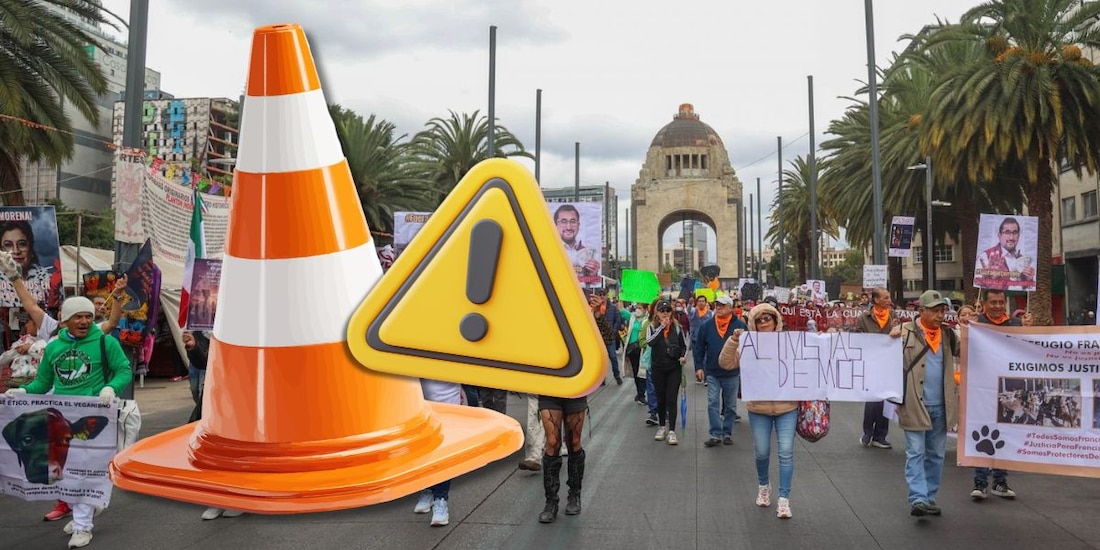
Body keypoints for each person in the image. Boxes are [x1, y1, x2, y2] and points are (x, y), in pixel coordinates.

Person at [4, 296, 133, 548]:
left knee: (84, 472)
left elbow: (124, 370)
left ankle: (83, 526)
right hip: (60, 420)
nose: (84, 321)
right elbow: (43, 382)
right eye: (78, 316)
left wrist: (110, 388)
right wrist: (24, 392)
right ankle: (84, 511)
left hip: (91, 418)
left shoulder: (105, 342)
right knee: (66, 475)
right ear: (65, 321)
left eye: (88, 316)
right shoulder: (53, 347)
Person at [897, 290, 960, 517]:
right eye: (935, 310)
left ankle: (929, 497)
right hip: (914, 403)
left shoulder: (949, 335)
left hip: (942, 405)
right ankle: (918, 498)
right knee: (915, 452)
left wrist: (975, 331)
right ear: (921, 310)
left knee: (936, 454)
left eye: (942, 310)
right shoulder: (903, 333)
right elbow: (884, 359)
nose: (940, 315)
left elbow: (971, 350)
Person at [536, 295, 595, 524]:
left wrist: (594, 317)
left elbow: (601, 344)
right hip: (549, 385)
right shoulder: (542, 319)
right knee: (552, 442)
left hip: (574, 386)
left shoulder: (582, 318)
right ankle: (551, 501)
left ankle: (574, 494)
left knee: (574, 442)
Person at [970, 288, 1032, 501]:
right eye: (993, 302)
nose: (997, 306)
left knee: (1003, 434)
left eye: (1000, 302)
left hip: (1008, 389)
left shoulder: (1016, 324)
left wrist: (1029, 331)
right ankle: (980, 483)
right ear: (984, 304)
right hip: (981, 388)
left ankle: (1000, 482)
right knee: (982, 433)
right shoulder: (976, 323)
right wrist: (967, 327)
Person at [741, 303, 797, 519]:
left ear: (776, 321)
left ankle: (784, 499)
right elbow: (725, 363)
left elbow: (811, 360)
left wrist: (822, 339)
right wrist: (734, 341)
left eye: (768, 318)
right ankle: (764, 486)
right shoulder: (746, 344)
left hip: (787, 407)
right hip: (759, 408)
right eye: (759, 319)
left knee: (786, 452)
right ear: (753, 323)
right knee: (762, 451)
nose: (764, 322)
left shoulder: (790, 342)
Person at [694, 295, 747, 447]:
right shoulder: (707, 325)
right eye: (717, 304)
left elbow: (748, 347)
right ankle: (715, 434)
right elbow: (699, 348)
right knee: (712, 402)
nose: (718, 307)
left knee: (730, 405)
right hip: (712, 372)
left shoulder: (740, 325)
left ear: (730, 308)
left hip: (732, 373)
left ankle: (727, 433)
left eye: (722, 305)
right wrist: (699, 367)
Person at [411, 379, 461, 526]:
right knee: (423, 453)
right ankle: (427, 489)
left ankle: (441, 499)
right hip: (421, 409)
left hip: (447, 407)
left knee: (442, 455)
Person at [856, 287, 899, 449]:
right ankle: (868, 432)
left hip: (888, 364)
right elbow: (858, 338)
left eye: (889, 297)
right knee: (872, 400)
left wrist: (897, 330)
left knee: (886, 399)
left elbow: (900, 335)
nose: (889, 300)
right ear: (876, 300)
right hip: (871, 363)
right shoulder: (864, 318)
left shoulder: (893, 316)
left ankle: (880, 436)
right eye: (886, 298)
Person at [645, 300, 687, 445]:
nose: (665, 313)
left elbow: (683, 346)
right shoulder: (651, 327)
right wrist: (661, 327)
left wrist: (683, 356)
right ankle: (662, 426)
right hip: (658, 368)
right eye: (662, 311)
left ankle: (672, 431)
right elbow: (650, 342)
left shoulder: (677, 328)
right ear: (657, 313)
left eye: (668, 310)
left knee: (671, 399)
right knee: (661, 398)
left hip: (674, 368)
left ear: (671, 312)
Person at [0, 219, 63, 310]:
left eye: (22, 244)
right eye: (8, 245)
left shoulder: (50, 282)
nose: (16, 251)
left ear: (30, 247)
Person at [976, 217, 1035, 291]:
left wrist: (1029, 279)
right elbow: (978, 285)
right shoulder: (986, 257)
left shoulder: (1023, 260)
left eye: (1015, 233)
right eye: (1007, 232)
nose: (1011, 238)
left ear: (1019, 236)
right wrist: (987, 279)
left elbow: (1026, 289)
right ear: (999, 235)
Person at [554, 205, 599, 285]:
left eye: (573, 221)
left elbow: (593, 285)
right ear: (555, 225)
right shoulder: (547, 251)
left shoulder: (587, 253)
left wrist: (593, 275)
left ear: (578, 225)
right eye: (564, 222)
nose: (568, 227)